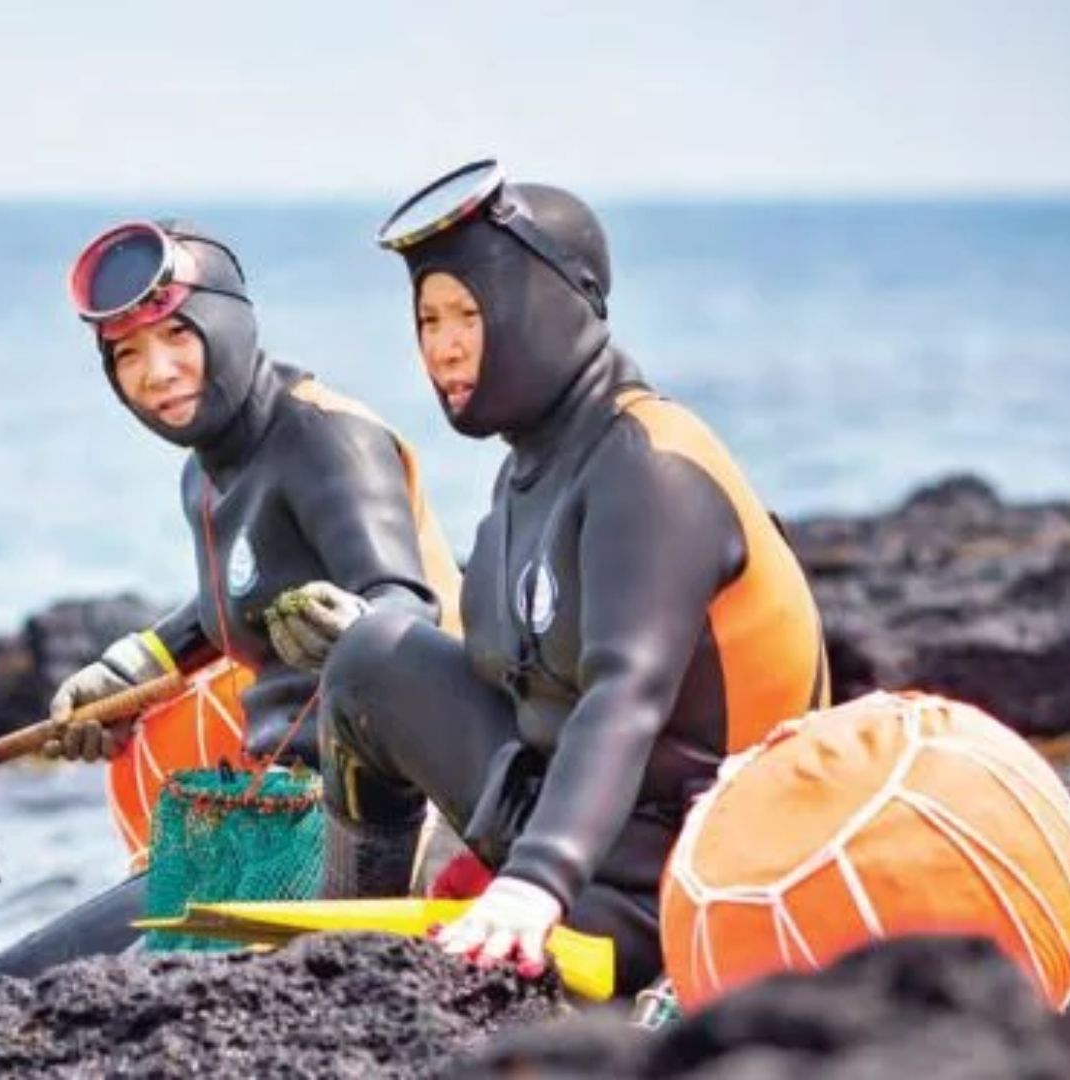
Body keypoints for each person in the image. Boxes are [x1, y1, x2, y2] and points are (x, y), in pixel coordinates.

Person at [315, 161, 831, 994]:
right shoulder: (526, 472)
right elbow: (505, 670)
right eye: (428, 318)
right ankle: (340, 923)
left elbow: (623, 694)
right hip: (571, 818)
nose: (444, 344)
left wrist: (533, 882)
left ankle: (492, 907)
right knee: (371, 657)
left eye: (471, 314)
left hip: (688, 874)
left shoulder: (650, 461)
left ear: (549, 305)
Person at [0, 218, 460, 976]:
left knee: (99, 996)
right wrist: (135, 666)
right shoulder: (204, 471)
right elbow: (237, 596)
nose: (156, 372)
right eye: (125, 355)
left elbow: (406, 605)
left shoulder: (325, 437)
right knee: (8, 986)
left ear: (227, 324)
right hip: (269, 819)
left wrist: (355, 628)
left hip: (393, 824)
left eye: (176, 337)